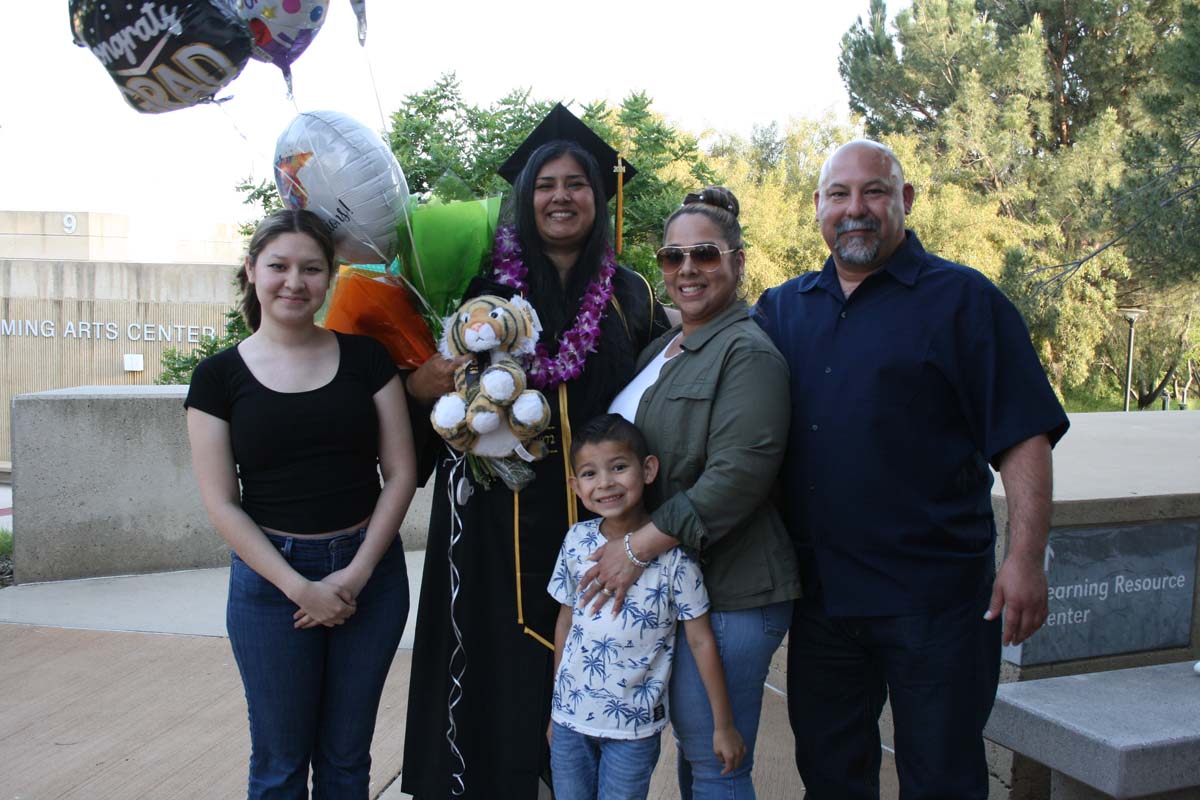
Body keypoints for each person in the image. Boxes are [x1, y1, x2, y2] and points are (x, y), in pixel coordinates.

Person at [754, 139, 1070, 799]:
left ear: (906, 200)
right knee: (832, 777)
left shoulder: (963, 301)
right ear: (817, 207)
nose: (856, 209)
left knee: (943, 778)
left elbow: (1023, 438)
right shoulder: (783, 310)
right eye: (839, 194)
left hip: (936, 602)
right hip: (822, 602)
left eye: (874, 191)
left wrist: (1025, 558)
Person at [400, 104, 670, 799]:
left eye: (576, 183)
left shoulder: (630, 297)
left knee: (592, 667)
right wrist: (431, 374)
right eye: (545, 184)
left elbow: (656, 404)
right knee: (490, 663)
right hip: (490, 519)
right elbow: (425, 386)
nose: (559, 196)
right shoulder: (480, 288)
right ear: (525, 199)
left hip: (594, 522)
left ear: (599, 198)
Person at [185, 209, 417, 798]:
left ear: (330, 276)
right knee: (279, 762)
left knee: (345, 760)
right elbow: (222, 502)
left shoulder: (366, 359)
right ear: (251, 271)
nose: (295, 281)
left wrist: (356, 574)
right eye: (279, 266)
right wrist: (299, 586)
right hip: (270, 586)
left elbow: (401, 472)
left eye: (311, 269)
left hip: (370, 576)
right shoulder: (217, 378)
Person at [585, 186, 801, 798]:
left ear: (738, 260)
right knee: (692, 757)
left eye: (705, 254)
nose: (686, 269)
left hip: (733, 590)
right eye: (671, 257)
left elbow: (737, 478)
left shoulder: (747, 352)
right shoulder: (664, 347)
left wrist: (635, 550)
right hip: (679, 585)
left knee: (716, 762)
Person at [548, 413, 745, 800]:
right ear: (575, 486)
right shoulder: (575, 541)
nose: (605, 483)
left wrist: (723, 725)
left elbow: (701, 642)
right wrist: (556, 707)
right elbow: (565, 623)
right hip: (569, 722)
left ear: (648, 469)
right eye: (589, 474)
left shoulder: (673, 557)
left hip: (632, 730)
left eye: (619, 467)